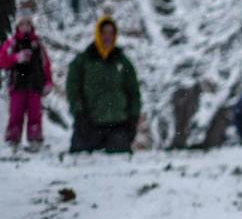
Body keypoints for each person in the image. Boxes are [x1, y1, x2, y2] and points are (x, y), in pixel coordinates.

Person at [67, 15, 142, 154]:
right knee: (79, 156)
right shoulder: (84, 60)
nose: (107, 36)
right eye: (104, 32)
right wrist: (79, 113)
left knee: (119, 159)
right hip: (89, 125)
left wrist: (133, 117)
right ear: (98, 34)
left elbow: (133, 91)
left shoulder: (123, 62)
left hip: (118, 125)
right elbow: (73, 88)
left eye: (111, 33)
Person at [0, 9, 54, 152]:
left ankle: (35, 139)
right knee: (16, 113)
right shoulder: (12, 43)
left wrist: (48, 81)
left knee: (35, 114)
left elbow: (45, 64)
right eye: (22, 24)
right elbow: (2, 61)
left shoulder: (38, 44)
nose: (25, 27)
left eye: (28, 24)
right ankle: (13, 140)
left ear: (31, 25)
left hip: (35, 84)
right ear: (17, 26)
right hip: (17, 85)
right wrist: (16, 58)